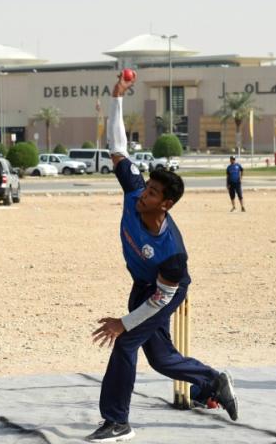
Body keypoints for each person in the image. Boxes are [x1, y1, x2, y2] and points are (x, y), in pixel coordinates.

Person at [87, 73, 238, 442]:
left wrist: (124, 322)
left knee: (125, 342)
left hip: (166, 290)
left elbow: (162, 299)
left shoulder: (172, 252)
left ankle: (117, 421)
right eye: (147, 189)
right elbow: (117, 146)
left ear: (166, 205)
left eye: (152, 194)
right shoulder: (133, 190)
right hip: (143, 286)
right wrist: (117, 98)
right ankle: (211, 381)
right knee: (160, 358)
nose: (144, 196)